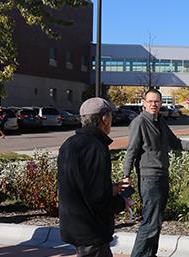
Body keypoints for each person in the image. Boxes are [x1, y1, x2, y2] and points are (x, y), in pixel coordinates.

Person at [123, 89, 189, 257]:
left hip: (162, 175)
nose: (153, 104)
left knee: (156, 221)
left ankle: (150, 254)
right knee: (150, 222)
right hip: (149, 177)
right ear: (144, 103)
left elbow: (176, 143)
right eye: (150, 101)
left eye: (157, 101)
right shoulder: (139, 122)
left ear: (160, 103)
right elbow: (131, 151)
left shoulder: (160, 122)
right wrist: (126, 175)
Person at [57, 97, 129, 257]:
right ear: (104, 119)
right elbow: (97, 197)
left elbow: (80, 185)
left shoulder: (69, 144)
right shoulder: (96, 147)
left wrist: (112, 188)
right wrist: (121, 203)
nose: (112, 120)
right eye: (111, 116)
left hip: (74, 224)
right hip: (91, 229)